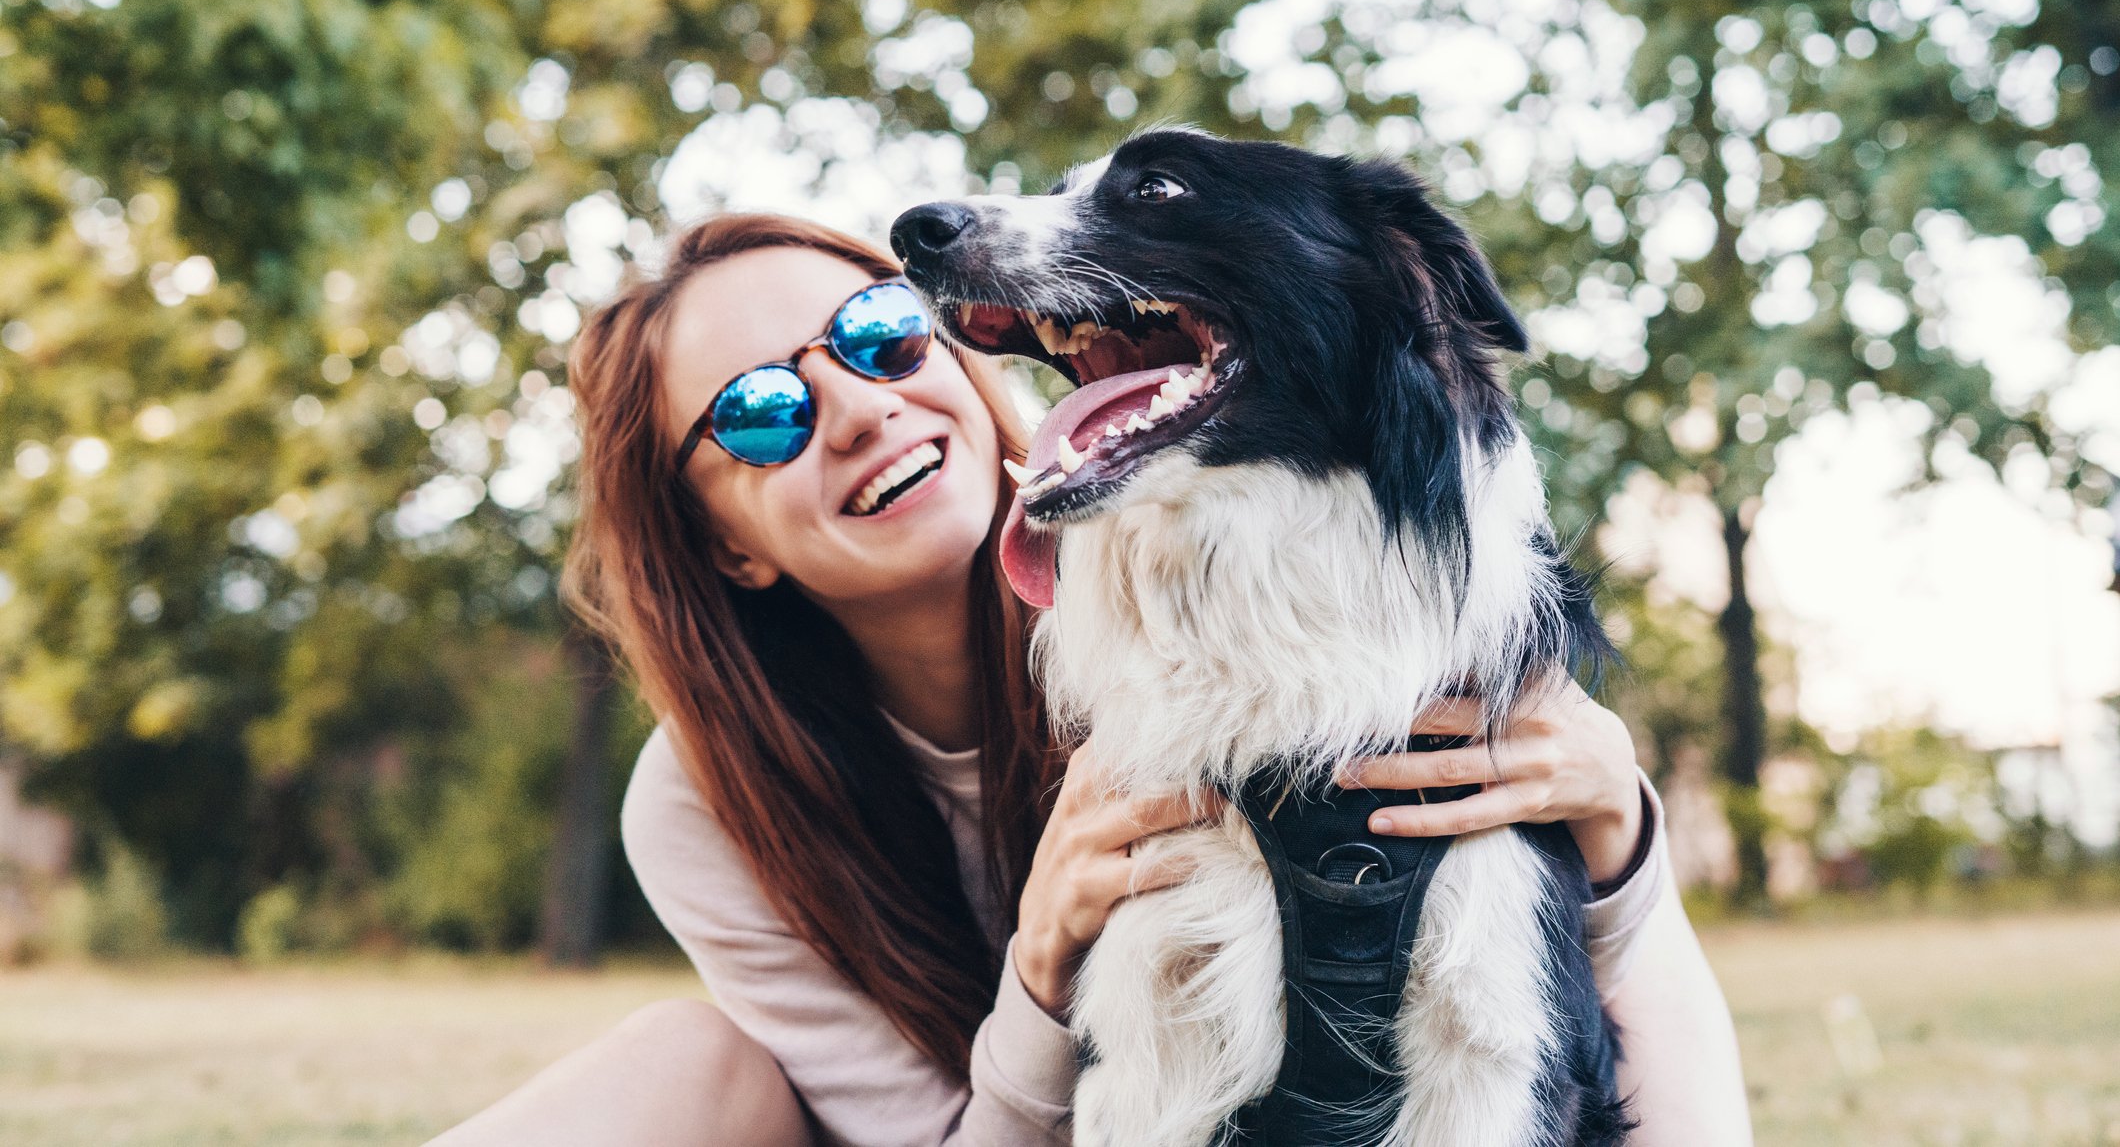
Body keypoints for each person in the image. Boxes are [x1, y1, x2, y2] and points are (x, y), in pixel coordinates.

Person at [434, 213, 1750, 1147]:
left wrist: (1619, 838)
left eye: (880, 332)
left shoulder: (1216, 574)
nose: (855, 404)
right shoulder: (707, 801)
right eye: (761, 414)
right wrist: (1045, 965)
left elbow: (1532, 993)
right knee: (683, 1064)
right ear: (720, 535)